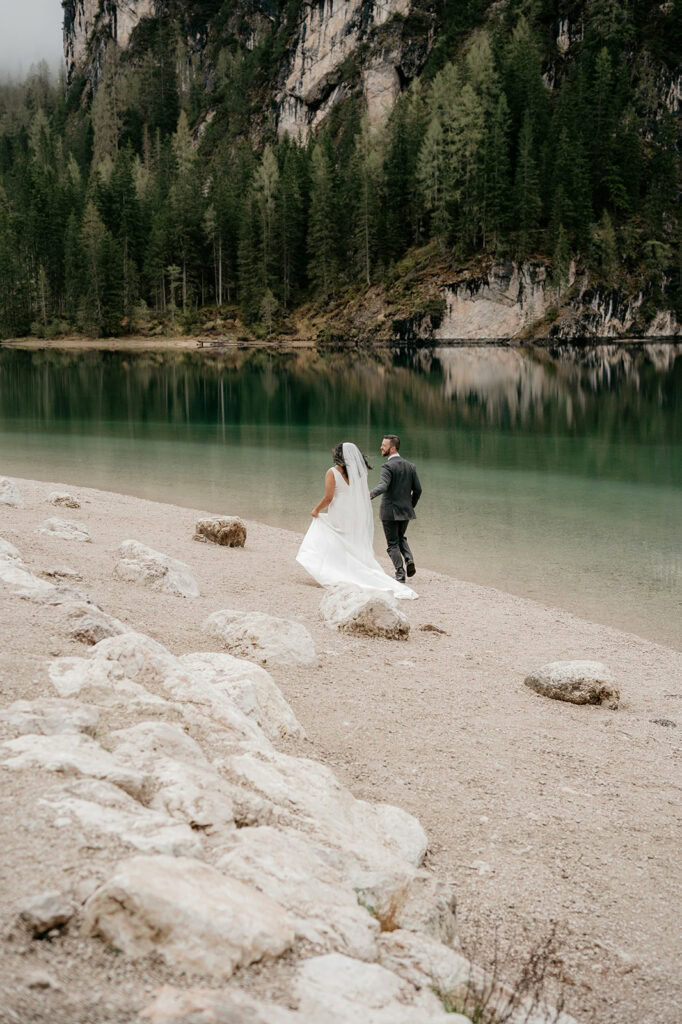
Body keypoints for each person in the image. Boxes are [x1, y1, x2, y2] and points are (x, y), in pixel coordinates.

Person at [296, 441, 417, 599]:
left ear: (339, 455)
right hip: (351, 514)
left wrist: (316, 509)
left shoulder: (332, 472)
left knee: (326, 531)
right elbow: (361, 496)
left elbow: (329, 497)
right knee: (347, 542)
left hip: (338, 512)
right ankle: (347, 569)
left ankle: (334, 569)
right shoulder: (358, 474)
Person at [369, 434, 422, 583]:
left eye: (383, 446)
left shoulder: (387, 466)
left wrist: (370, 494)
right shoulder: (410, 466)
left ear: (392, 448)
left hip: (389, 511)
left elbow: (384, 486)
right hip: (406, 511)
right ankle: (409, 559)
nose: (381, 447)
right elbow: (418, 490)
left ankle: (400, 574)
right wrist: (410, 505)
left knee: (392, 543)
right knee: (400, 538)